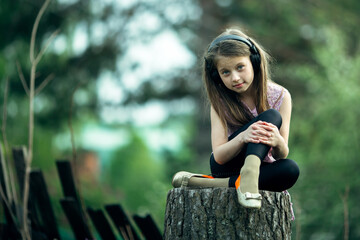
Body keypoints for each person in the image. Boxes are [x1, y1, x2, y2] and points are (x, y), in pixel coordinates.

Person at [172, 27, 299, 209]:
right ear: (217, 75)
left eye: (240, 67)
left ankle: (218, 183)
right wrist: (244, 136)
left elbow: (282, 154)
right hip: (228, 165)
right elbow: (220, 157)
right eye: (226, 72)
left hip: (260, 169)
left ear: (254, 62)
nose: (235, 78)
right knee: (269, 116)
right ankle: (247, 174)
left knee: (290, 168)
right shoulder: (220, 102)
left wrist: (277, 141)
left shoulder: (280, 96)